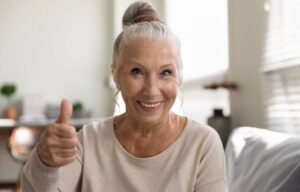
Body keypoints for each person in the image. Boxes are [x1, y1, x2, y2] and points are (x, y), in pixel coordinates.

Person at [21, 1, 228, 191]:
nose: (151, 90)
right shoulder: (88, 140)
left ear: (179, 77)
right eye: (136, 71)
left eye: (166, 72)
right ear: (116, 75)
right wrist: (45, 165)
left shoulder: (203, 144)